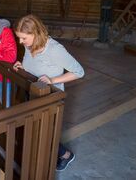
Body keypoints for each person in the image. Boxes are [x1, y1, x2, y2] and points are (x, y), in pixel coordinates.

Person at [13, 14, 84, 171]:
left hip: (50, 97)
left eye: (23, 38)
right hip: (32, 91)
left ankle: (65, 155)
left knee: (46, 133)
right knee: (34, 129)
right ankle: (36, 157)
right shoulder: (29, 45)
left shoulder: (54, 49)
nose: (20, 42)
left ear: (35, 33)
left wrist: (53, 80)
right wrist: (22, 68)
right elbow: (34, 66)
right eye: (19, 38)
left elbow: (79, 72)